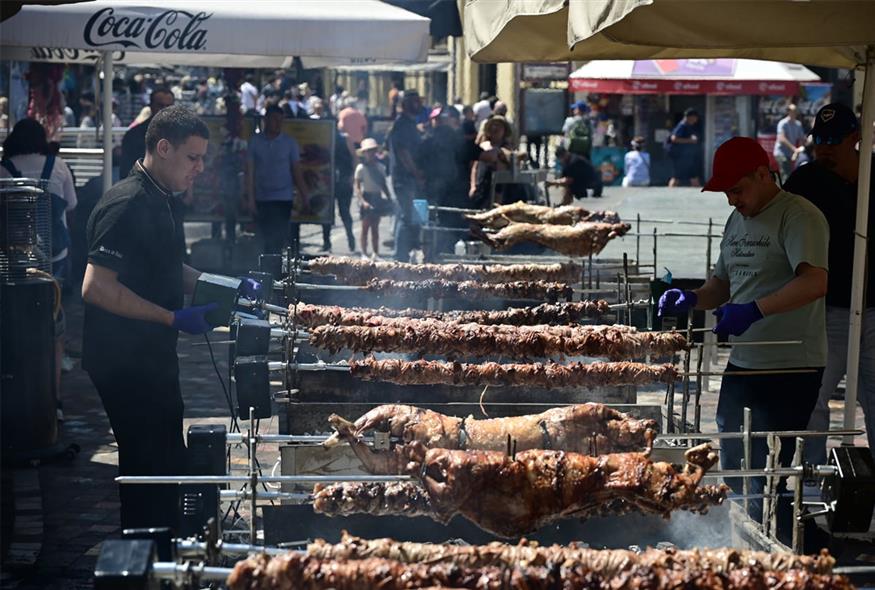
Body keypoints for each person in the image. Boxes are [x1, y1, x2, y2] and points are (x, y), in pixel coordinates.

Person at [81, 105, 260, 531]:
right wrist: (171, 318)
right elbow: (95, 286)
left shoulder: (162, 199)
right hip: (124, 362)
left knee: (168, 463)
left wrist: (223, 285)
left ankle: (169, 550)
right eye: (192, 158)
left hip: (151, 358)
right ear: (163, 148)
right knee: (148, 472)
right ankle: (146, 557)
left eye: (202, 158)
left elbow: (165, 267)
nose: (200, 168)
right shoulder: (125, 204)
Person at [658, 137, 829, 534]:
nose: (731, 200)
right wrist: (691, 297)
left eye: (737, 189)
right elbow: (721, 286)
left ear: (762, 174)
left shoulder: (799, 216)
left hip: (791, 364)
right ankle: (741, 537)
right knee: (734, 461)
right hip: (745, 362)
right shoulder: (738, 220)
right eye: (726, 193)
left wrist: (754, 310)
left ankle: (783, 546)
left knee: (766, 472)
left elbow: (815, 282)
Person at [784, 102, 875, 464]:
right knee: (814, 399)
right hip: (825, 310)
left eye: (834, 140)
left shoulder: (871, 174)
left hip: (873, 308)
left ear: (855, 138)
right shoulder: (805, 181)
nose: (824, 148)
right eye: (819, 140)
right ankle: (813, 480)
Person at [1, 118, 78, 420]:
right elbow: (71, 205)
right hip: (52, 258)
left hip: (10, 263)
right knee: (53, 325)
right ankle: (53, 398)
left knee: (13, 324)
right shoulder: (57, 166)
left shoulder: (4, 167)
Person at [245, 104, 310, 255]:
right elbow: (250, 172)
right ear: (266, 120)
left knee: (279, 238)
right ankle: (266, 271)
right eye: (274, 119)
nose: (278, 123)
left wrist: (305, 196)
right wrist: (250, 199)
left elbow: (297, 172)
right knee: (264, 239)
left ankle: (276, 272)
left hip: (283, 198)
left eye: (281, 120)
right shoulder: (255, 142)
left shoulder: (289, 143)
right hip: (262, 198)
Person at [387, 90, 424, 261]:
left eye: (419, 101)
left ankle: (409, 251)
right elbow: (403, 152)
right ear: (406, 104)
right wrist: (417, 173)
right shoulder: (402, 123)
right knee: (406, 216)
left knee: (413, 215)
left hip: (409, 178)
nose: (419, 104)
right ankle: (399, 257)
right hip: (404, 178)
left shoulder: (409, 123)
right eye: (415, 101)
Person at [119, 86, 174, 179]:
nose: (164, 110)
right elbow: (126, 171)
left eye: (168, 106)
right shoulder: (133, 135)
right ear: (151, 106)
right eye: (160, 105)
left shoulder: (181, 135)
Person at [355, 138, 392, 258]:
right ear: (364, 153)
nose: (370, 154)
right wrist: (362, 201)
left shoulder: (380, 167)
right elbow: (358, 187)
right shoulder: (360, 168)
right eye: (368, 151)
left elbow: (383, 184)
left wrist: (389, 198)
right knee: (365, 227)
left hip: (377, 196)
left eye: (372, 151)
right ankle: (364, 252)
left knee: (375, 227)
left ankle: (375, 252)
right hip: (367, 196)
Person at [469, 115, 517, 208]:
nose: (495, 128)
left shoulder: (507, 149)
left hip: (501, 189)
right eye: (493, 125)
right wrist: (473, 186)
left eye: (499, 126)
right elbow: (475, 167)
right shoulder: (483, 146)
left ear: (504, 130)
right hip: (482, 186)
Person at [322, 130, 358, 253]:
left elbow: (354, 157)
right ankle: (326, 243)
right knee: (326, 213)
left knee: (344, 212)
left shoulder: (345, 138)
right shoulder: (323, 135)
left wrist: (353, 175)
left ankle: (350, 239)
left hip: (343, 179)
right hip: (328, 180)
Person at [667, 108, 703, 187]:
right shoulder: (682, 125)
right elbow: (674, 138)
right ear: (691, 117)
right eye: (695, 117)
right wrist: (690, 140)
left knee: (692, 174)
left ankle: (698, 193)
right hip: (680, 156)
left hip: (686, 155)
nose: (696, 119)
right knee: (677, 176)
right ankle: (670, 192)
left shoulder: (688, 126)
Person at [773, 103, 807, 181]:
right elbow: (781, 138)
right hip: (781, 153)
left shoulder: (798, 124)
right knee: (786, 175)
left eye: (794, 111)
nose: (792, 112)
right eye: (790, 111)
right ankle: (782, 192)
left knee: (789, 175)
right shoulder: (783, 123)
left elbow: (802, 138)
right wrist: (794, 149)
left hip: (791, 154)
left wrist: (804, 145)